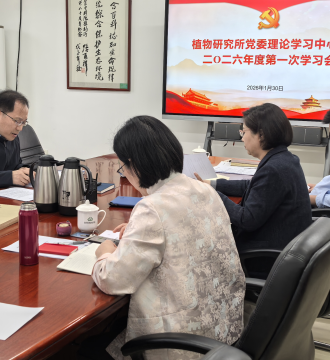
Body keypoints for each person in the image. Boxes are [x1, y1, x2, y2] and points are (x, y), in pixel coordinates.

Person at [88, 116, 245, 360]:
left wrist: (104, 252)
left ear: (133, 165)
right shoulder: (205, 190)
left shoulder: (152, 208)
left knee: (87, 347)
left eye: (122, 167)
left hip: (183, 343)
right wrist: (137, 229)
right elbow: (182, 228)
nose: (125, 173)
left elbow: (113, 280)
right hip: (223, 331)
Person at [196, 103, 312, 258]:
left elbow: (246, 220)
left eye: (244, 132)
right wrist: (211, 184)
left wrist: (211, 193)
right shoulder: (285, 159)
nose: (242, 138)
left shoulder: (273, 169)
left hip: (265, 255)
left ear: (261, 135)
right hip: (284, 243)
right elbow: (251, 186)